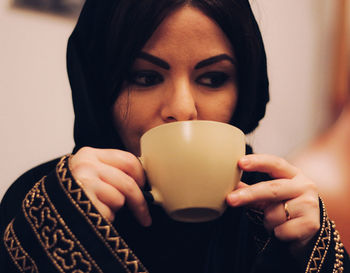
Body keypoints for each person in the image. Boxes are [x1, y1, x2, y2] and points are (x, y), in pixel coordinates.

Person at [0, 0, 348, 272]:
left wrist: (309, 252)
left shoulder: (273, 217)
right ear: (98, 88)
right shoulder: (40, 203)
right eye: (145, 78)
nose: (182, 109)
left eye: (212, 79)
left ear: (245, 90)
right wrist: (62, 231)